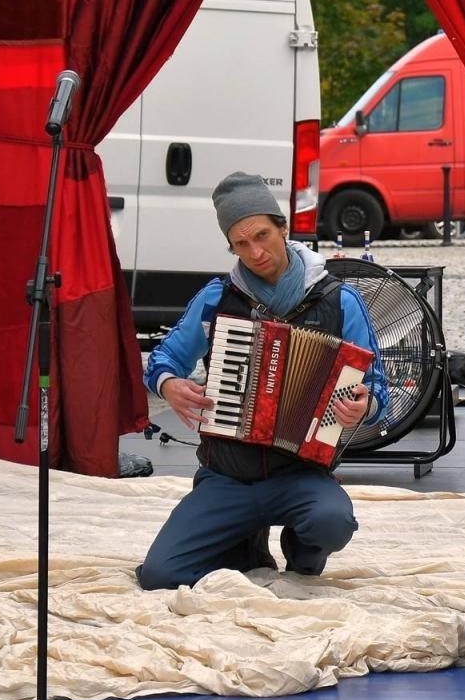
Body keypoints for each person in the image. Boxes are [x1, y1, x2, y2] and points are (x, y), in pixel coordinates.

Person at [136, 172, 389, 589]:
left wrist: (365, 407)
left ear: (283, 228)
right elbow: (162, 358)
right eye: (241, 244)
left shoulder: (339, 301)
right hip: (227, 476)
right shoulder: (217, 299)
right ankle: (244, 543)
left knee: (333, 521)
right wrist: (168, 385)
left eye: (262, 235)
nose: (255, 252)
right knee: (160, 576)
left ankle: (301, 548)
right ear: (231, 247)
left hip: (301, 473)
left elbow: (378, 388)